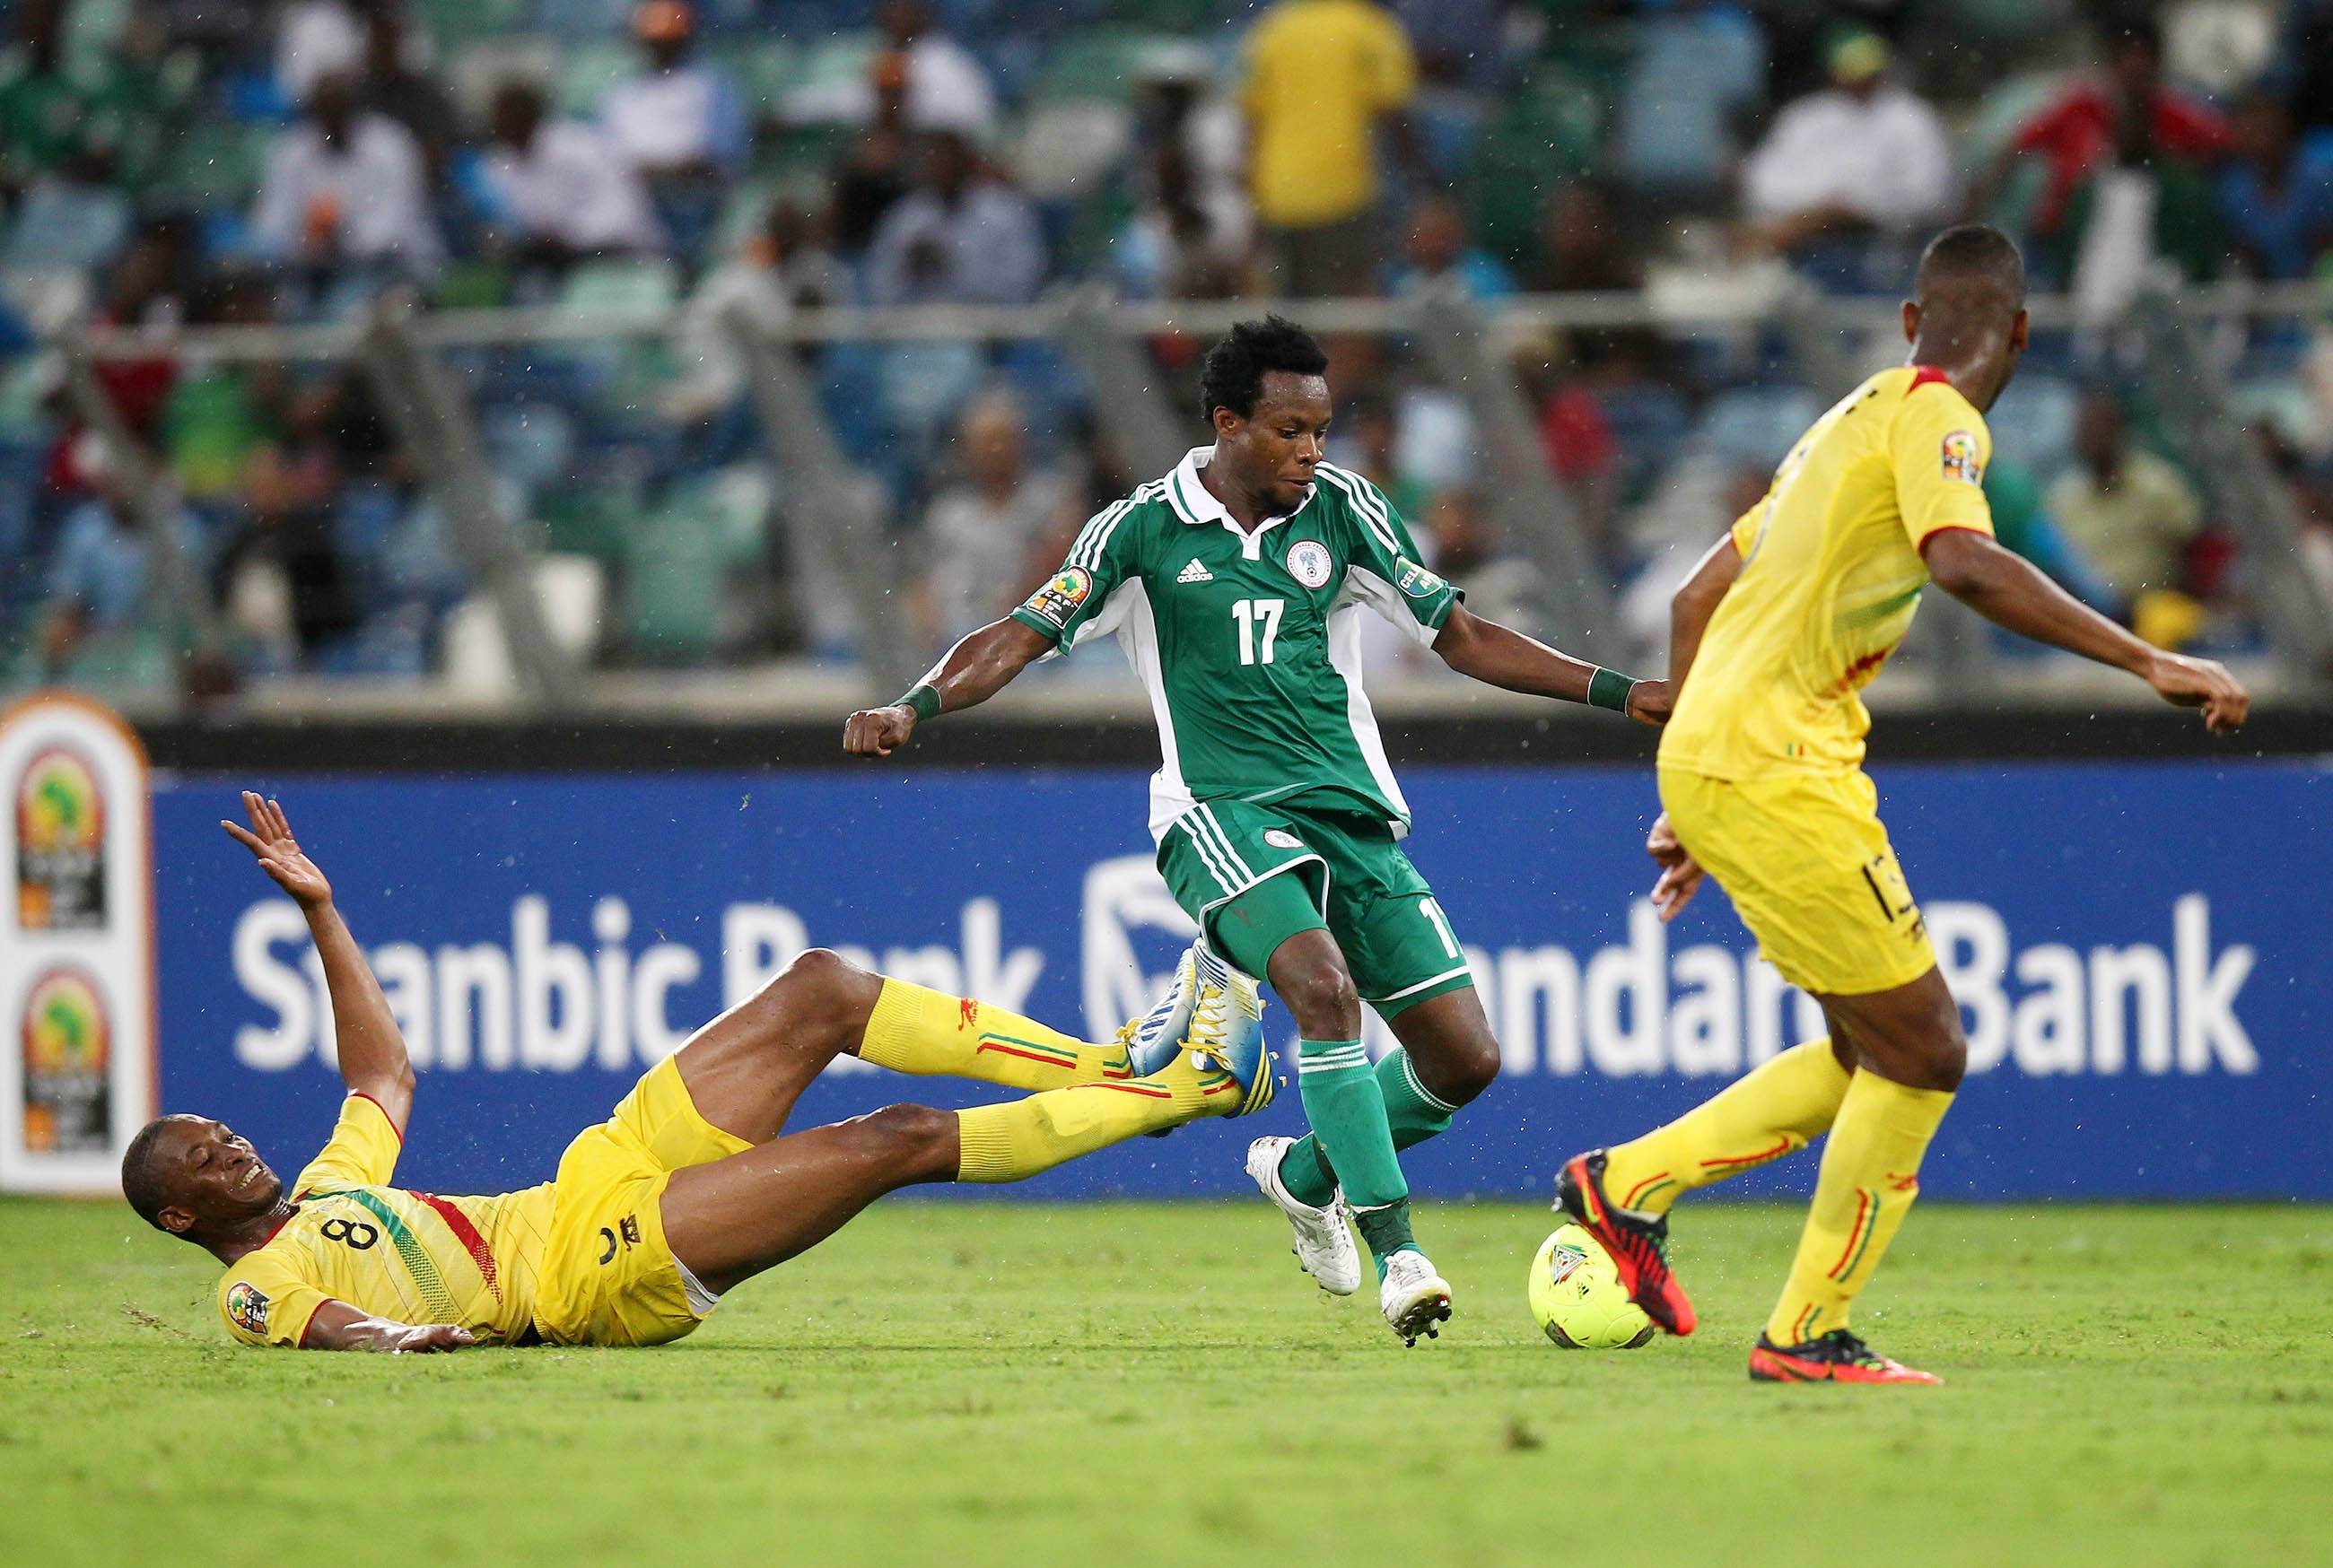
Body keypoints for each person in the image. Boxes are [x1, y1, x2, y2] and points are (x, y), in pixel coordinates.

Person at [843, 317, 1670, 1345]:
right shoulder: (1141, 529)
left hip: (1350, 816)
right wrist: (912, 706)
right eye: (1289, 431)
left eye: (1321, 429)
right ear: (1227, 424)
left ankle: (1303, 1168)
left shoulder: (1346, 511)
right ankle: (1399, 1251)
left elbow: (1457, 636)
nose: (1311, 451)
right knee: (1320, 989)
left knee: (1464, 1059)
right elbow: (1019, 631)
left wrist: (1616, 689)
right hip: (1217, 814)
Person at [1553, 225, 2249, 1384]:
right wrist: (2149, 660)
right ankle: (1806, 1335)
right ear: (2024, 333)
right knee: (1924, 1049)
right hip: (1777, 762)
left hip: (1728, 754)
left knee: (1863, 1041)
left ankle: (1623, 1186)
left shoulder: (1848, 418)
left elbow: (1694, 596)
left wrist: (1692, 780)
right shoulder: (1938, 419)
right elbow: (1965, 562)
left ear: (1909, 321)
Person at [126, 794, 1271, 1353]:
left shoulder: (329, 1187)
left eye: (219, 1126)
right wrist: (421, 1341)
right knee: (894, 1137)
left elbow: (384, 1072)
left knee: (819, 986)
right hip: (576, 1281)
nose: (230, 1142)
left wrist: (323, 912)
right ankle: (1197, 1088)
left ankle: (1115, 1060)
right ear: (182, 1211)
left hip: (587, 1178)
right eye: (202, 1155)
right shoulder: (253, 1283)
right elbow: (336, 1330)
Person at [1241, 0, 1421, 297]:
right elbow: (1394, 112)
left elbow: (1252, 121)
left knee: (1289, 311)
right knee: (1348, 307)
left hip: (1279, 193)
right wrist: (1420, 178)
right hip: (1343, 190)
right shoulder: (1369, 27)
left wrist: (1254, 192)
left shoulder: (1272, 29)